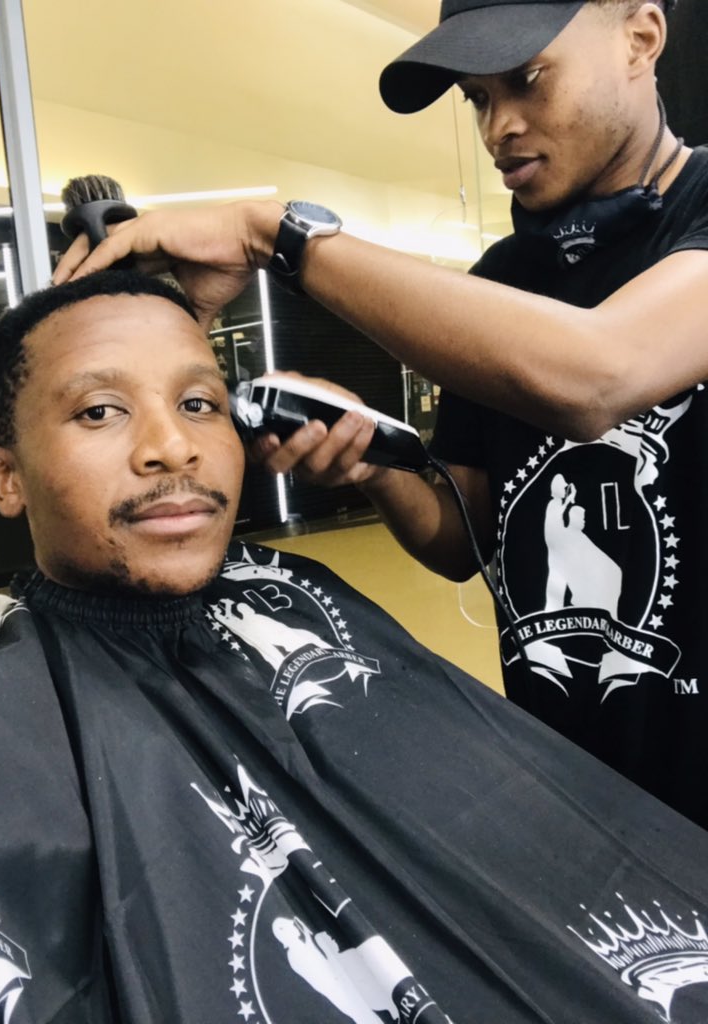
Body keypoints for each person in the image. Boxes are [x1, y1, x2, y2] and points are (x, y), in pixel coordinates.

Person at [0, 268, 708, 1023]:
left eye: (200, 403)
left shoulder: (299, 598)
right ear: (5, 477)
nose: (173, 447)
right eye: (101, 411)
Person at [53, 0, 708, 832]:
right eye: (477, 99)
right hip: (574, 772)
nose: (499, 128)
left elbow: (601, 374)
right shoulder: (499, 281)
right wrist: (376, 465)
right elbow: (463, 539)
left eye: (527, 80)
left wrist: (274, 236)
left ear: (641, 39)